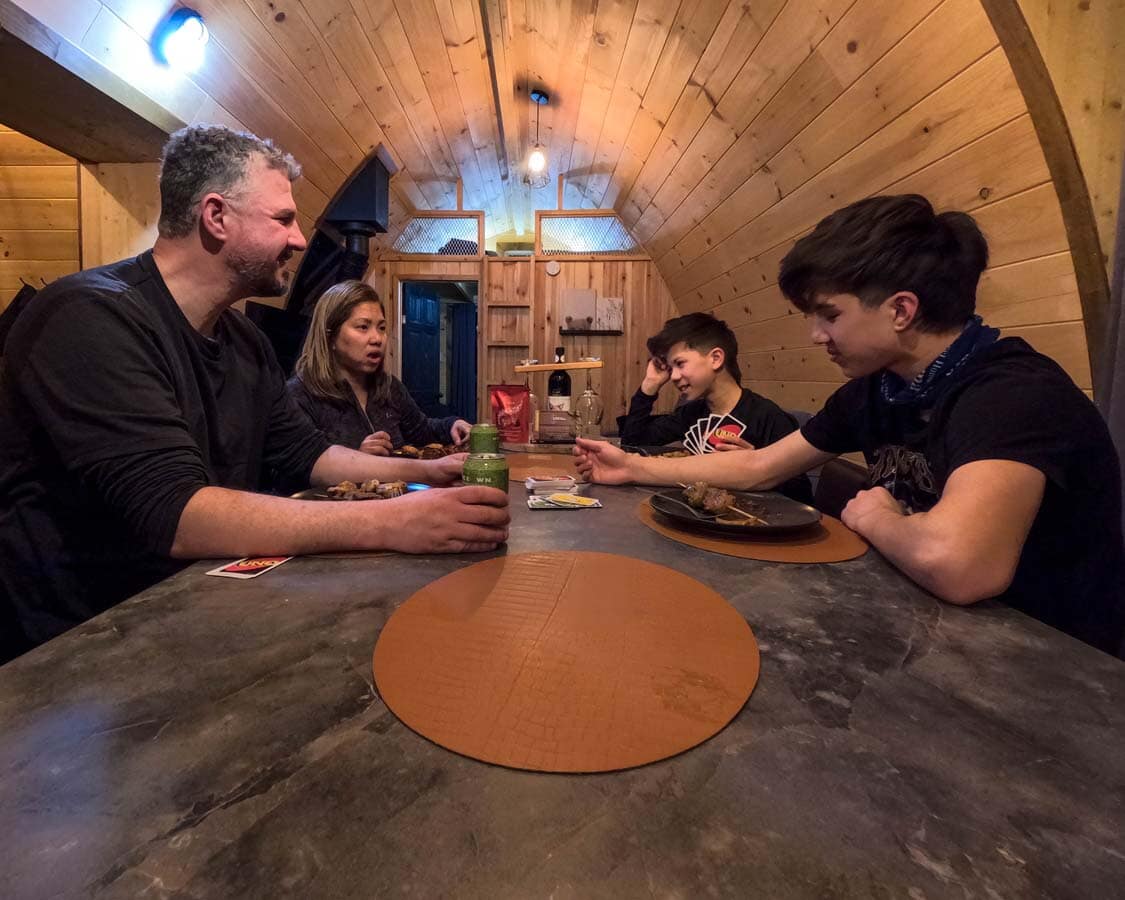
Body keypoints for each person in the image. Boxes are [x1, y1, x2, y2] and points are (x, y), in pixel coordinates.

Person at [0, 125, 508, 659]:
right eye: (284, 219)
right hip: (72, 654)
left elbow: (309, 455)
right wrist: (394, 521)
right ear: (216, 216)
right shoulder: (89, 317)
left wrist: (430, 475)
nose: (299, 238)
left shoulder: (243, 338)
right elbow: (174, 513)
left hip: (184, 620)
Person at [576, 194, 1124, 656]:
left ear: (901, 310)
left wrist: (877, 516)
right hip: (951, 642)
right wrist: (633, 468)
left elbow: (960, 565)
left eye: (829, 315)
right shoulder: (876, 389)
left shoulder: (1012, 393)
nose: (816, 334)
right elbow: (762, 465)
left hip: (1062, 670)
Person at [620, 311, 811, 503]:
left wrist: (755, 467)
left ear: (716, 358)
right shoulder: (691, 414)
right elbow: (632, 443)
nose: (674, 377)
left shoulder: (769, 418)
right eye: (671, 369)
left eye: (680, 364)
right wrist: (650, 385)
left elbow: (801, 496)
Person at [287, 280, 471, 457]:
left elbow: (422, 431)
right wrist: (356, 459)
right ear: (330, 336)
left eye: (381, 328)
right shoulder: (299, 395)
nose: (377, 338)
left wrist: (451, 425)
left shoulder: (390, 388)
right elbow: (292, 473)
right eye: (363, 327)